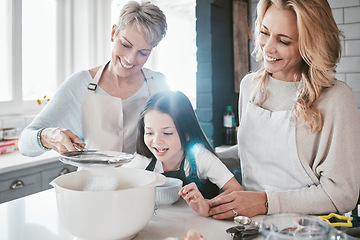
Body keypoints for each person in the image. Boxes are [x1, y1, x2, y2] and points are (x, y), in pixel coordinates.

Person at [207, 0, 360, 219]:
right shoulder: (250, 85)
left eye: (284, 41)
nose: (267, 47)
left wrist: (265, 202)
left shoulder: (334, 98)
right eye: (264, 32)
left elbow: (342, 194)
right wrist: (203, 158)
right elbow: (250, 153)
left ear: (311, 45)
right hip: (247, 224)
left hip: (307, 230)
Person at [18, 1, 169, 156]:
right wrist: (47, 136)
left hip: (146, 180)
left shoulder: (159, 85)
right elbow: (24, 144)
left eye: (143, 53)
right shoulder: (80, 84)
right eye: (125, 45)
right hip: (93, 180)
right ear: (113, 33)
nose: (130, 59)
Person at [122, 90, 243, 216]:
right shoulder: (143, 160)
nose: (157, 141)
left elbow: (236, 189)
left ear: (187, 133)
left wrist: (208, 205)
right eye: (149, 133)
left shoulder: (199, 156)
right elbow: (120, 183)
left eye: (167, 133)